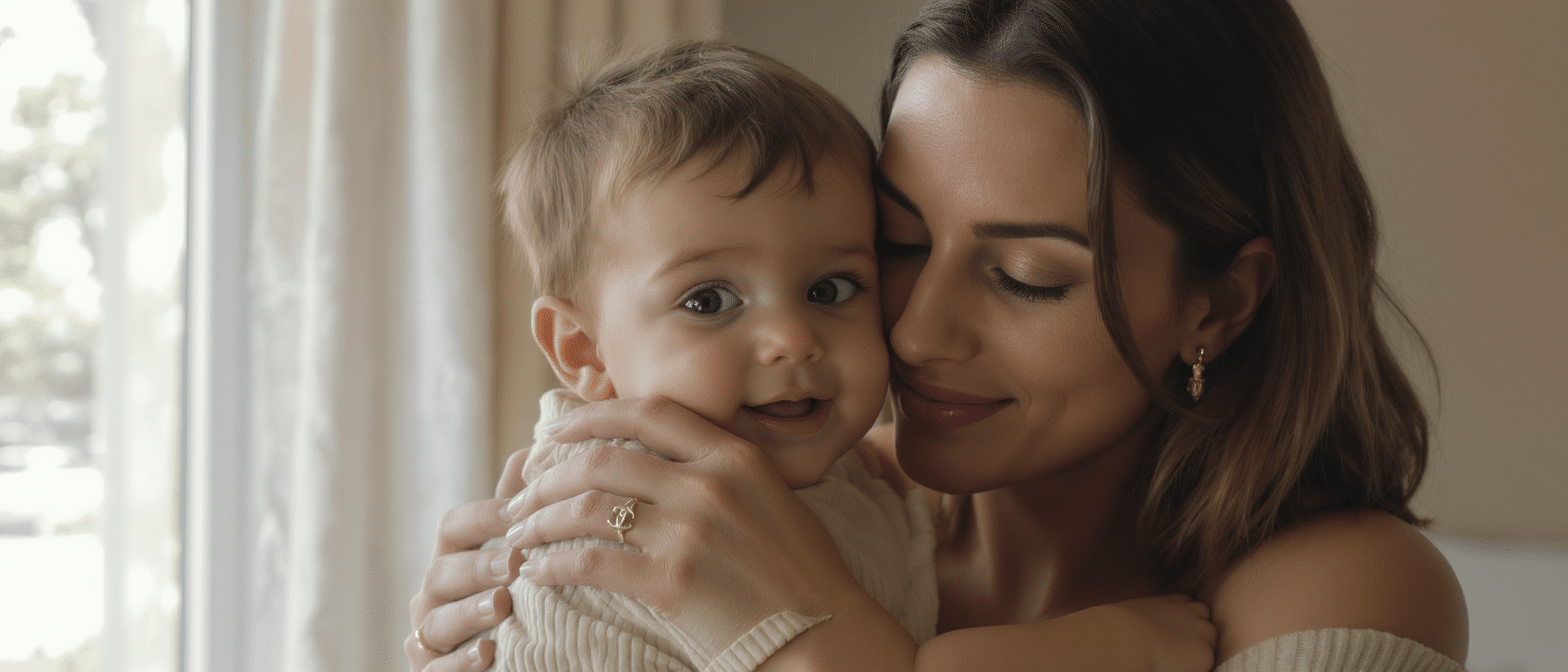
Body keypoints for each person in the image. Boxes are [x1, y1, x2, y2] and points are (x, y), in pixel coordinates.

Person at [408, 1, 1469, 670]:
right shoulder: (807, 493)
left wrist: (809, 635)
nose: (914, 332)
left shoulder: (1347, 585)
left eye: (1024, 277)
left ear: (1218, 303)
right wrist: (466, 639)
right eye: (900, 245)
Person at [441, 40, 1213, 672]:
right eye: (708, 301)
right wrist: (1113, 646)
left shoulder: (851, 484)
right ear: (582, 349)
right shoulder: (609, 510)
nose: (792, 337)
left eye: (830, 288)